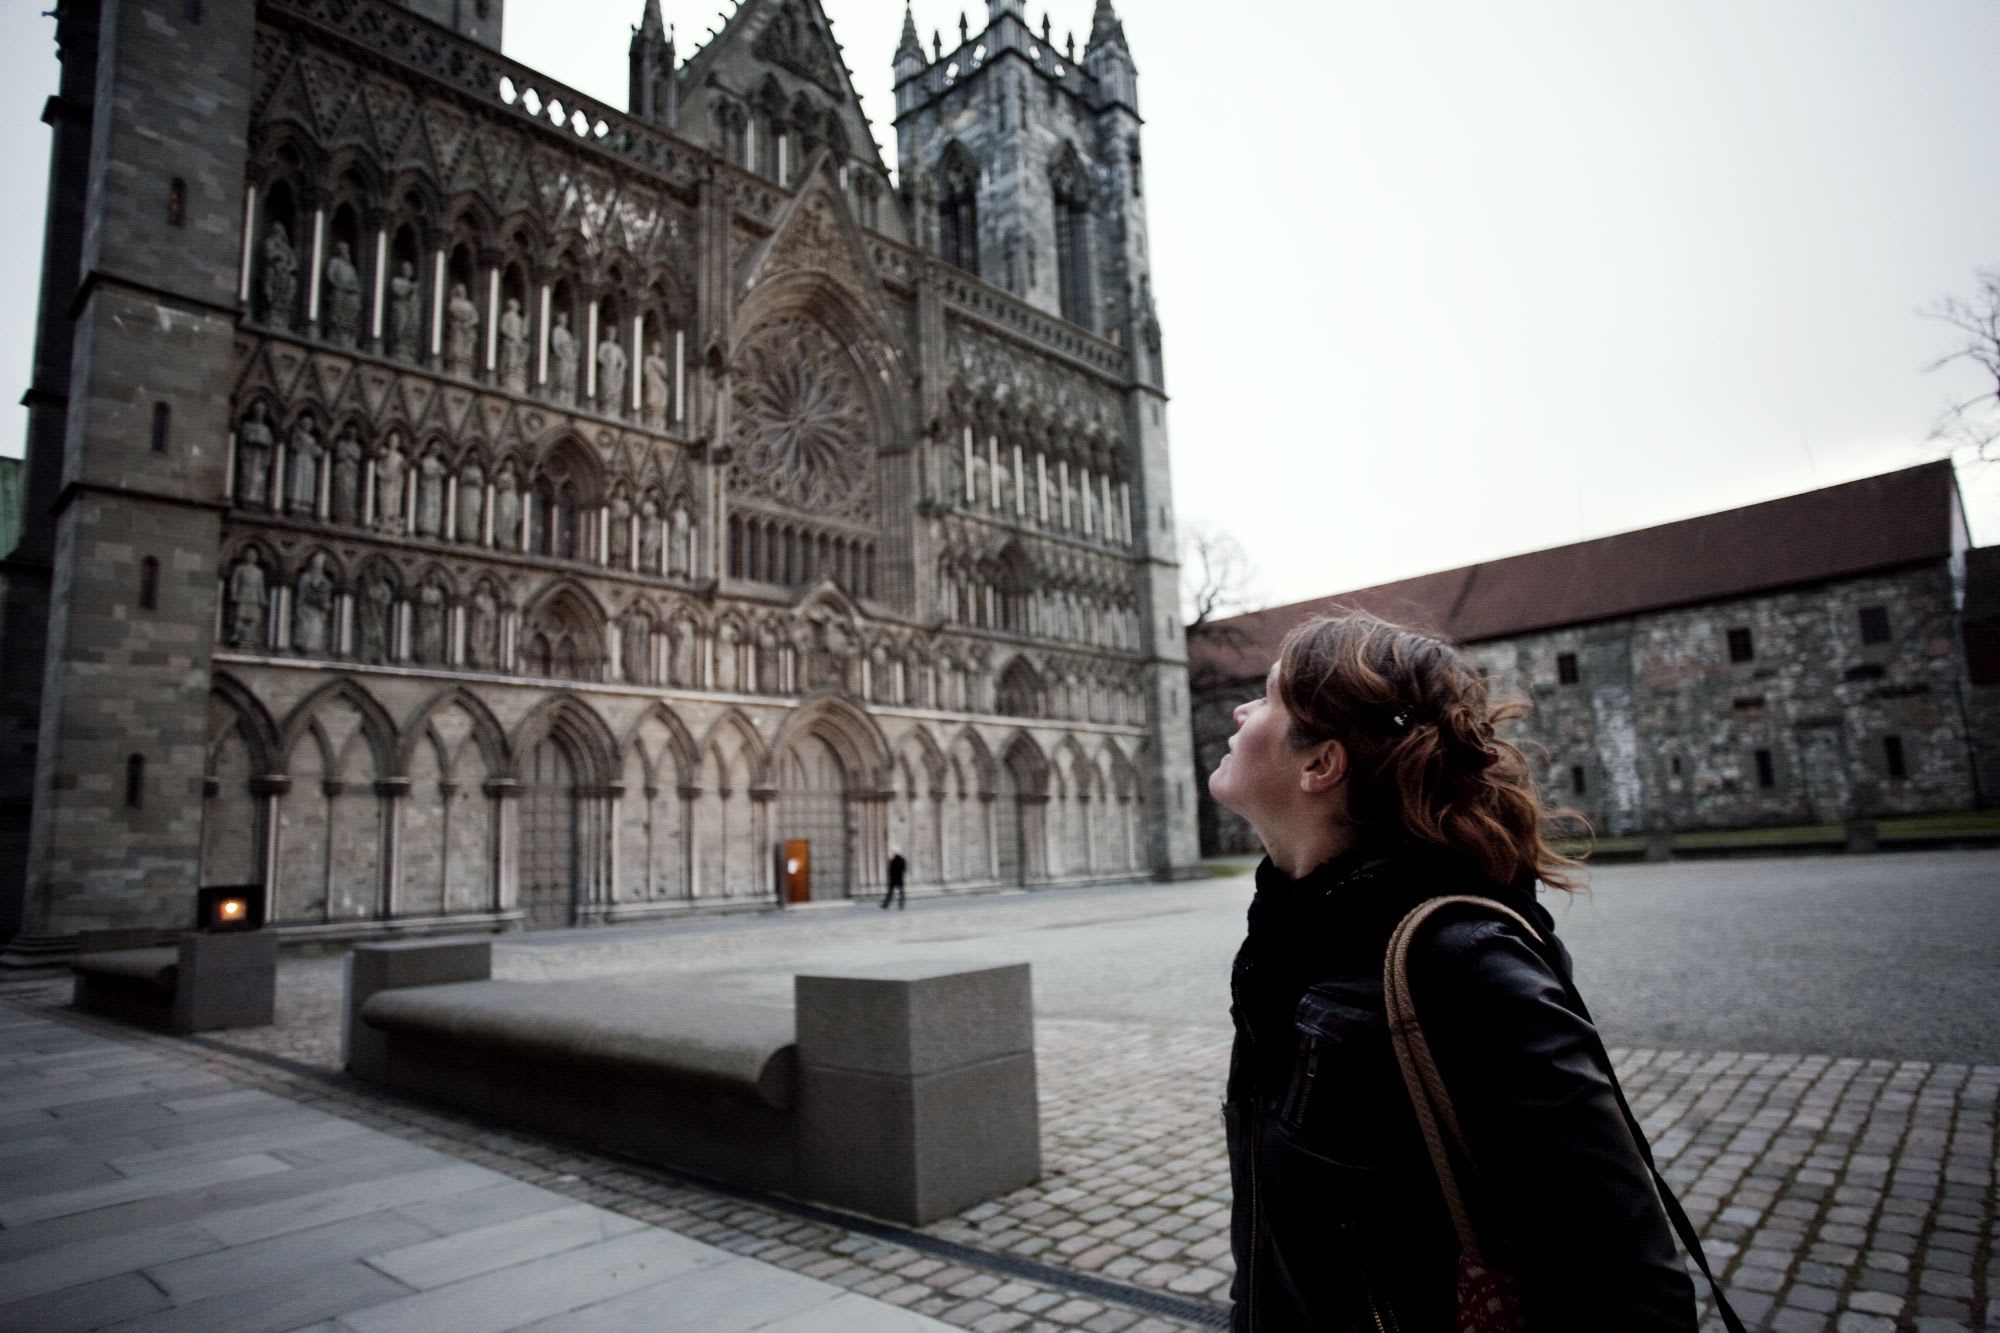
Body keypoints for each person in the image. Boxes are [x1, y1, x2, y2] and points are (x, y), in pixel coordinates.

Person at [1211, 611, 1732, 1332]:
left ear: (1320, 763)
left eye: (1267, 697)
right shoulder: (1293, 940)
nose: (1239, 710)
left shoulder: (1460, 962)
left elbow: (1631, 1285)